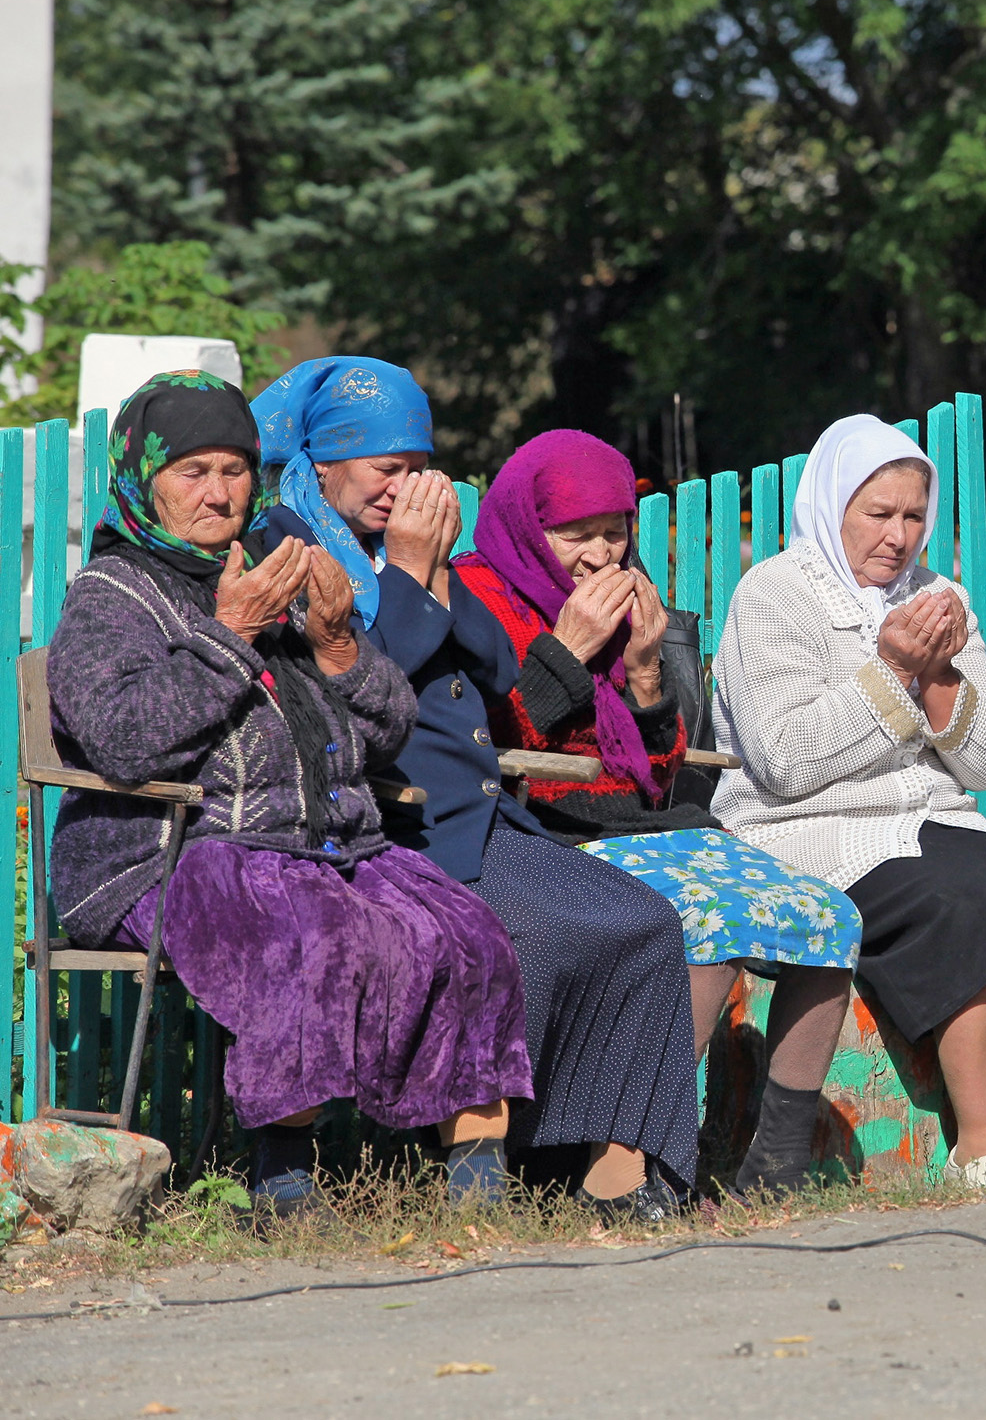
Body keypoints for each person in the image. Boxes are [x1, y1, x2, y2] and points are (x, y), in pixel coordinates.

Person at [49, 370, 533, 1217]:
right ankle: (283, 1176)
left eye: (234, 469)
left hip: (325, 840)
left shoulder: (277, 568)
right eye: (192, 472)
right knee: (307, 930)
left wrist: (339, 644)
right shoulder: (111, 594)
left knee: (468, 931)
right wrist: (228, 633)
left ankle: (479, 1182)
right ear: (144, 478)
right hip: (170, 849)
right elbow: (123, 740)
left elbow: (383, 732)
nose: (219, 492)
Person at [253, 364, 696, 1218]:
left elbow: (492, 664)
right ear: (329, 461)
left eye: (420, 462)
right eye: (387, 465)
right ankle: (486, 1168)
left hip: (482, 815)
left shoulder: (401, 551)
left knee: (647, 924)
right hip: (388, 824)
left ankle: (620, 1178)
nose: (408, 484)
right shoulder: (290, 544)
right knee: (523, 928)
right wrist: (415, 575)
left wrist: (434, 573)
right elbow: (367, 680)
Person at [452, 429, 864, 1198]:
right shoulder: (478, 600)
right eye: (579, 536)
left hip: (642, 826)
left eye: (617, 533)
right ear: (527, 529)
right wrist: (566, 650)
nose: (605, 555)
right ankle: (634, 1166)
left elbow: (661, 780)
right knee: (701, 919)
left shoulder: (633, 602)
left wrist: (644, 669)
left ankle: (773, 1168)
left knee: (826, 916)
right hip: (543, 828)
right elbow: (488, 745)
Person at [711, 415, 986, 1192]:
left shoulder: (937, 597)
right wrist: (889, 670)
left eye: (914, 516)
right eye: (878, 513)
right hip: (806, 827)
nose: (898, 535)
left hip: (931, 818)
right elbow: (784, 762)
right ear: (832, 505)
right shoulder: (775, 595)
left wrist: (941, 674)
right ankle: (976, 1142)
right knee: (961, 903)